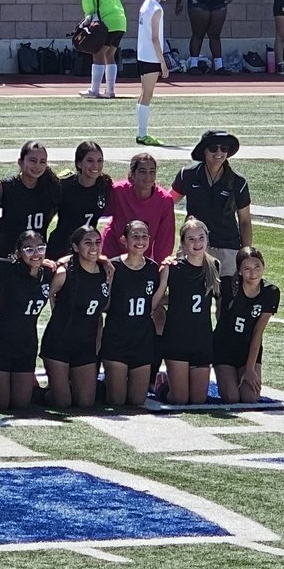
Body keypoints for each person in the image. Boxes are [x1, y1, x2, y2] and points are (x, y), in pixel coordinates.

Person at [0, 231, 54, 410]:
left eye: (40, 248)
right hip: (0, 342)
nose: (36, 253)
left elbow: (72, 261)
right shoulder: (9, 269)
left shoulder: (49, 273)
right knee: (1, 404)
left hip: (26, 343)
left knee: (21, 404)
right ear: (19, 252)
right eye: (29, 249)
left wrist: (105, 261)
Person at [41, 225, 111, 408]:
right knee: (63, 403)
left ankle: (68, 383)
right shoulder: (64, 273)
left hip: (85, 344)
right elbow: (44, 294)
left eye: (97, 242)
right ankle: (41, 394)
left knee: (85, 402)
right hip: (59, 342)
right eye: (87, 243)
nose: (94, 247)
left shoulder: (107, 272)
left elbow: (103, 309)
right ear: (75, 247)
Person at [157, 217, 221, 405]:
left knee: (199, 400)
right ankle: (162, 385)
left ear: (207, 240)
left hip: (201, 338)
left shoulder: (214, 266)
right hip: (177, 338)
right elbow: (156, 300)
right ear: (183, 243)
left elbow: (218, 300)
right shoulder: (174, 267)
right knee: (180, 399)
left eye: (201, 238)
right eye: (191, 239)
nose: (197, 243)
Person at [170, 130, 251, 276]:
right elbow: (167, 203)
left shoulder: (239, 182)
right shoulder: (187, 175)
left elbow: (245, 221)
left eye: (224, 148)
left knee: (226, 296)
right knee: (185, 292)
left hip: (228, 246)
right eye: (213, 148)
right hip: (193, 243)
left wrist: (246, 255)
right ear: (204, 151)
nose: (219, 153)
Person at [100, 219, 162, 406]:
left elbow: (155, 304)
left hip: (142, 341)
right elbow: (104, 306)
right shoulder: (112, 267)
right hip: (116, 339)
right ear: (124, 240)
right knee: (117, 401)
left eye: (144, 236)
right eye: (135, 236)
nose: (140, 240)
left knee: (137, 402)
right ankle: (98, 387)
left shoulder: (153, 269)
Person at [213, 246, 279, 404]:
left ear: (264, 266)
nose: (253, 273)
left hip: (248, 349)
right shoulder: (228, 285)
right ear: (240, 271)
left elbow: (258, 332)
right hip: (224, 347)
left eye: (257, 267)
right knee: (232, 398)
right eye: (247, 268)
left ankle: (244, 370)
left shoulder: (270, 292)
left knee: (250, 398)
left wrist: (250, 368)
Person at [101, 153, 175, 263]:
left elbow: (165, 240)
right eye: (142, 172)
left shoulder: (164, 200)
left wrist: (159, 268)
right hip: (111, 253)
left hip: (140, 259)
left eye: (152, 172)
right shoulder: (118, 191)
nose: (148, 177)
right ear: (133, 174)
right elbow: (96, 211)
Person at [0, 141, 62, 256]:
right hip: (7, 252)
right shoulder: (4, 188)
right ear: (20, 162)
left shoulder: (52, 188)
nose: (38, 166)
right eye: (33, 161)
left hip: (36, 254)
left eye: (42, 162)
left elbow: (50, 217)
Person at [47, 141, 110, 259]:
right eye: (90, 161)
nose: (96, 165)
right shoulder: (64, 186)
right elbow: (48, 216)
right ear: (79, 163)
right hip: (61, 247)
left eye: (99, 160)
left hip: (87, 249)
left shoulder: (104, 185)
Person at [73, 0, 126, 99]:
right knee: (110, 55)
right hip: (121, 22)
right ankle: (110, 90)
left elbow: (89, 9)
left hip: (107, 23)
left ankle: (94, 90)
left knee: (98, 53)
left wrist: (86, 20)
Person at [135, 0, 172, 146]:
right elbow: (155, 38)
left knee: (144, 95)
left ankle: (141, 132)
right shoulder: (157, 9)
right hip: (151, 56)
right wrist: (163, 63)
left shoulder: (146, 5)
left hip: (143, 55)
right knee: (147, 95)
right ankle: (142, 134)